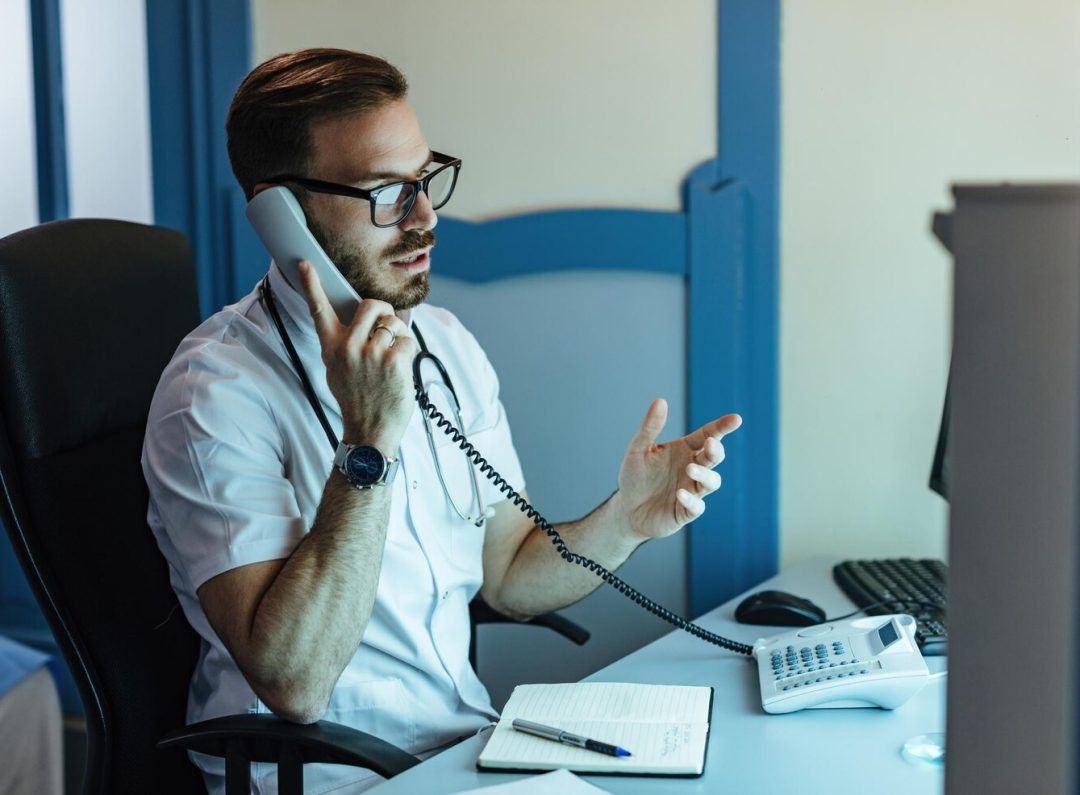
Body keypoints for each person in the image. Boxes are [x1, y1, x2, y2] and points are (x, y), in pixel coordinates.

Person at [142, 47, 741, 794]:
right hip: (326, 781)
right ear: (280, 213)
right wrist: (368, 443)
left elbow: (507, 575)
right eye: (387, 191)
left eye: (425, 179)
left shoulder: (444, 345)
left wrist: (625, 519)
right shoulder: (213, 394)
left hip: (463, 753)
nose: (425, 217)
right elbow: (292, 684)